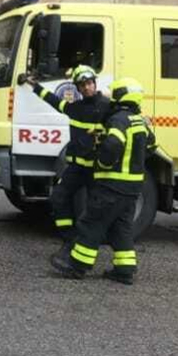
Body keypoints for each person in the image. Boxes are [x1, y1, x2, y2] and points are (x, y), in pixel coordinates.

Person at [50, 77, 150, 284]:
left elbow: (112, 145)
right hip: (132, 189)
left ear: (122, 95)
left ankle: (76, 266)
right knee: (121, 228)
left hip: (112, 185)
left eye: (114, 94)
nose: (109, 97)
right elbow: (151, 146)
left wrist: (103, 164)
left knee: (91, 224)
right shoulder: (139, 120)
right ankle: (124, 270)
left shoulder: (119, 119)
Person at [18, 65, 113, 248]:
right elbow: (52, 100)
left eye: (89, 83)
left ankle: (91, 241)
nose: (86, 87)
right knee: (58, 198)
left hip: (97, 169)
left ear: (94, 83)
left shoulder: (107, 107)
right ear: (77, 88)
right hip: (75, 169)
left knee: (96, 208)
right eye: (82, 85)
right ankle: (69, 238)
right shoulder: (74, 108)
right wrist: (33, 85)